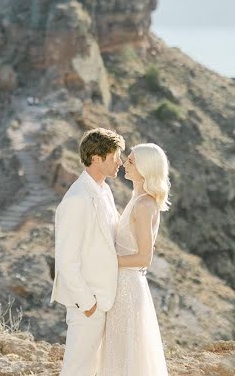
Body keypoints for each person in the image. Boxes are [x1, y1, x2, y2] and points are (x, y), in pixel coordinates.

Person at [51, 127, 125, 375]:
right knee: (77, 371)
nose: (120, 162)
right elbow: (65, 259)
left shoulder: (105, 191)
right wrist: (88, 304)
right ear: (96, 158)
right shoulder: (77, 199)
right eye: (115, 157)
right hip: (88, 305)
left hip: (105, 301)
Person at [101, 143, 171, 376]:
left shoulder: (143, 204)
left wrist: (106, 261)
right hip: (123, 285)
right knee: (120, 353)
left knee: (125, 354)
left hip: (128, 289)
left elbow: (144, 257)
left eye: (130, 161)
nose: (123, 163)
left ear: (144, 168)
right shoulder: (137, 198)